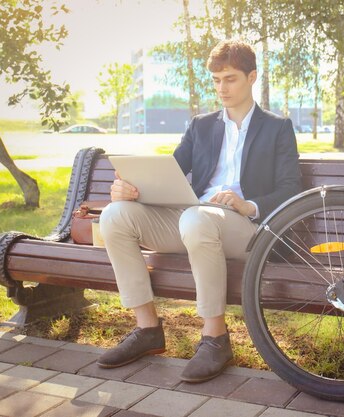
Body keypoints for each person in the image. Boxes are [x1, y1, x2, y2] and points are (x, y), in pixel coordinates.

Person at [96, 39, 301, 383]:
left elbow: (290, 189)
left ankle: (215, 338)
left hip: (246, 229)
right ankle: (147, 329)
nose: (221, 88)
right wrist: (128, 190)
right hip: (196, 221)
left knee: (196, 218)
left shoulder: (277, 127)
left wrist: (246, 204)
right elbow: (171, 174)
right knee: (115, 216)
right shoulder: (200, 125)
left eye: (230, 79)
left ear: (252, 77)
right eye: (216, 80)